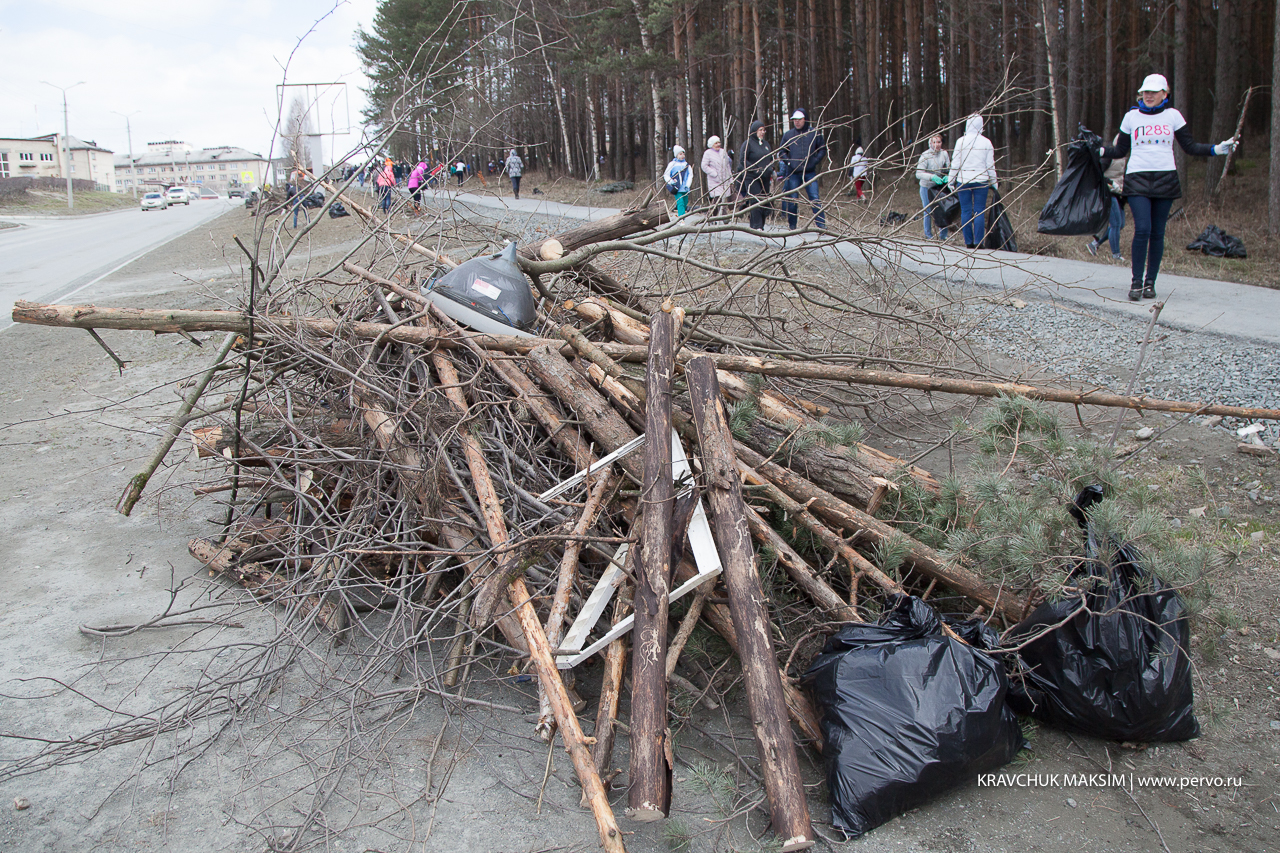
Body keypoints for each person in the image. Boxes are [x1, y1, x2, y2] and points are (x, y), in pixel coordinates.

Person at [1099, 73, 1236, 301]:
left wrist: (1217, 149)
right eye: (1146, 92)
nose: (1149, 95)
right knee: (1142, 229)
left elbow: (1190, 147)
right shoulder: (1131, 117)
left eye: (1154, 92)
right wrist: (1099, 150)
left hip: (1165, 179)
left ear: (1164, 94)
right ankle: (1136, 283)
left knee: (1157, 233)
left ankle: (1150, 283)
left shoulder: (1173, 116)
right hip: (1137, 179)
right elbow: (1120, 150)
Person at [948, 114, 997, 249]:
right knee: (979, 210)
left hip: (964, 180)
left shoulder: (961, 142)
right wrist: (994, 182)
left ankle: (968, 241)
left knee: (966, 211)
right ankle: (979, 241)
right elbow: (990, 165)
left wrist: (951, 180)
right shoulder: (986, 142)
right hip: (981, 180)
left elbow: (955, 164)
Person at [779, 108, 826, 230]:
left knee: (814, 198)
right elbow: (782, 151)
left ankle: (821, 225)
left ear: (805, 119)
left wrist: (815, 161)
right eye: (795, 120)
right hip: (793, 173)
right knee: (793, 200)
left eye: (799, 119)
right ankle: (792, 227)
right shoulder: (788, 135)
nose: (797, 122)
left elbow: (822, 149)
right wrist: (789, 162)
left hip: (809, 172)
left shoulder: (814, 133)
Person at [1086, 135, 1127, 260]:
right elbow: (1098, 174)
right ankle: (1116, 255)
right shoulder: (1109, 155)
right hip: (1107, 192)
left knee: (1121, 224)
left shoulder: (1125, 157)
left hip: (1118, 193)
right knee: (1116, 224)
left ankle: (1094, 244)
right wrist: (1111, 183)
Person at [740, 120, 775, 230]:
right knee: (756, 200)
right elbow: (743, 160)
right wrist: (755, 169)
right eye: (760, 130)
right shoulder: (748, 144)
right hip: (752, 177)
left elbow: (771, 158)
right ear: (754, 131)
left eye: (764, 130)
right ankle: (757, 226)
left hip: (765, 177)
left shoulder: (766, 144)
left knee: (764, 201)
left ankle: (760, 225)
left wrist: (771, 169)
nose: (763, 132)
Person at [915, 134, 950, 241]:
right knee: (928, 210)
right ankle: (928, 235)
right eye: (934, 142)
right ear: (930, 143)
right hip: (926, 186)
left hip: (938, 186)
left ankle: (943, 235)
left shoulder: (944, 154)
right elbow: (918, 173)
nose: (937, 145)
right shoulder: (925, 155)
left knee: (943, 209)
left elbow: (948, 168)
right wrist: (932, 177)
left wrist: (947, 176)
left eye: (939, 142)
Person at [700, 135, 733, 216]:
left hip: (725, 179)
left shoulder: (723, 151)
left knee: (722, 199)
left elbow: (727, 166)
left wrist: (731, 178)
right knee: (718, 198)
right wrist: (714, 173)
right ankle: (721, 217)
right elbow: (704, 166)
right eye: (716, 143)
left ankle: (713, 216)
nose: (718, 144)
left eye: (719, 142)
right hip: (715, 180)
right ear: (712, 144)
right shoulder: (708, 153)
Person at [664, 145, 694, 216]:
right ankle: (681, 218)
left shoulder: (687, 165)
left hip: (685, 188)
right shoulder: (672, 164)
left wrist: (688, 185)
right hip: (677, 188)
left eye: (683, 154)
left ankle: (681, 215)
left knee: (685, 202)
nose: (682, 155)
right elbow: (666, 175)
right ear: (676, 155)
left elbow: (690, 175)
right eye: (680, 154)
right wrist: (671, 182)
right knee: (680, 202)